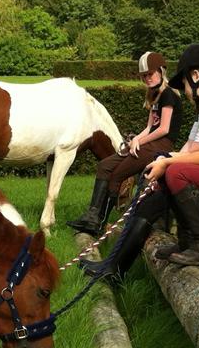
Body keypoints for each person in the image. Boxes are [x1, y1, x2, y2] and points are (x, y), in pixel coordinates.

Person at [80, 42, 199, 282]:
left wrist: (168, 162)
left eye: (183, 83)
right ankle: (116, 266)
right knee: (167, 176)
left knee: (176, 173)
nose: (184, 90)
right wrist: (166, 161)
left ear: (196, 76)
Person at [67, 51, 183, 236]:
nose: (147, 79)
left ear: (161, 71)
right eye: (143, 76)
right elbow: (150, 126)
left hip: (161, 145)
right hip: (149, 142)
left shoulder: (169, 95)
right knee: (105, 166)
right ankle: (92, 215)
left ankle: (98, 224)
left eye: (150, 74)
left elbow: (164, 129)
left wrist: (140, 140)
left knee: (117, 175)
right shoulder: (154, 96)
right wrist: (135, 139)